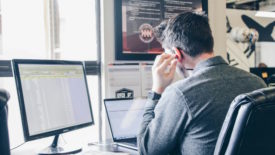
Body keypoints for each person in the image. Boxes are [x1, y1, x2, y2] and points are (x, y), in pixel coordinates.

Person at [138, 12, 266, 155]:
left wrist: (157, 90)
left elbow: (147, 150)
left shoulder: (181, 94)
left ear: (177, 54)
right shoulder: (258, 83)